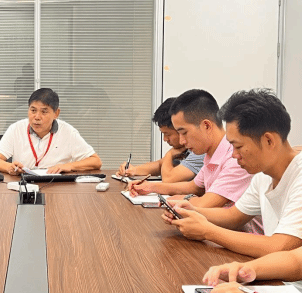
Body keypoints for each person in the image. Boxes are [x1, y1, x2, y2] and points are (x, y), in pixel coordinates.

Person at [163, 89, 302, 261]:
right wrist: (193, 211)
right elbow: (234, 216)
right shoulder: (263, 177)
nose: (234, 155)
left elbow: (279, 246)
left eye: (238, 146)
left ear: (268, 140)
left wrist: (208, 231)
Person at [128, 89, 261, 233]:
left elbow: (205, 205)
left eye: (184, 133)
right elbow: (194, 187)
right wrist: (151, 187)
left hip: (245, 238)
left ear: (206, 126)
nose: (181, 141)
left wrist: (184, 200)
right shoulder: (210, 154)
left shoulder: (236, 158)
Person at [0, 88, 102, 175]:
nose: (37, 117)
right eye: (33, 110)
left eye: (44, 112)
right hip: (24, 185)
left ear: (56, 113)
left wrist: (68, 166)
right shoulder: (16, 129)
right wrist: (9, 167)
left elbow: (95, 161)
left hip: (56, 186)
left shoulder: (68, 132)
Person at [117, 97, 205, 182]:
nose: (165, 139)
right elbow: (160, 165)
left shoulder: (199, 150)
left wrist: (170, 154)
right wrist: (133, 170)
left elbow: (168, 178)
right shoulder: (184, 149)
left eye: (167, 134)